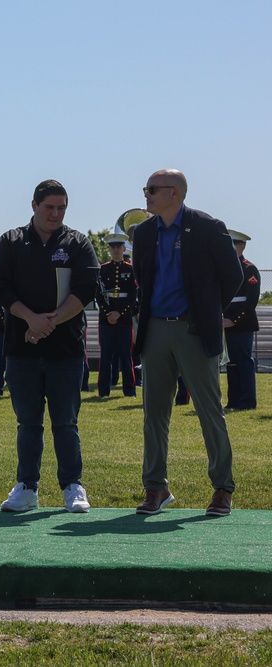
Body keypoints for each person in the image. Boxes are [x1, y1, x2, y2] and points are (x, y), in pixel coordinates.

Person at [131, 169, 243, 517]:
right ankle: (156, 488)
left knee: (210, 412)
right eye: (146, 188)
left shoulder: (208, 226)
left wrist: (208, 313)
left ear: (175, 193)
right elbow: (142, 277)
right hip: (155, 332)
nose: (146, 195)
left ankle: (222, 488)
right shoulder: (145, 232)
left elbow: (233, 276)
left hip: (194, 331)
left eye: (152, 189)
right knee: (154, 415)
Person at [0, 179, 99, 514]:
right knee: (28, 422)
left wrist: (48, 322)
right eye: (49, 206)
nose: (55, 213)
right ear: (34, 205)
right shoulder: (10, 241)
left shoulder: (78, 242)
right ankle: (26, 487)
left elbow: (86, 289)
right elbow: (1, 287)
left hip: (65, 349)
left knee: (66, 421)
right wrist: (29, 319)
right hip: (21, 349)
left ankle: (72, 486)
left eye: (61, 207)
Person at [95, 233, 138, 398]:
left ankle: (129, 391)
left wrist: (119, 313)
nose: (115, 250)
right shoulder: (103, 269)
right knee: (105, 357)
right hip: (106, 321)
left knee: (126, 357)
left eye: (118, 247)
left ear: (124, 248)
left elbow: (133, 296)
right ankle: (103, 391)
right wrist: (108, 314)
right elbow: (99, 295)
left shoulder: (130, 269)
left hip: (124, 319)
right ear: (109, 249)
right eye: (113, 247)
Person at [223, 230, 260, 411]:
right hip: (225, 323)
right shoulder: (224, 267)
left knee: (243, 361)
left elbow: (250, 301)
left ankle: (247, 401)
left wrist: (233, 320)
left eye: (234, 244)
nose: (231, 248)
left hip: (242, 324)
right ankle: (234, 400)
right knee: (231, 362)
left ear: (242, 246)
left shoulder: (249, 268)